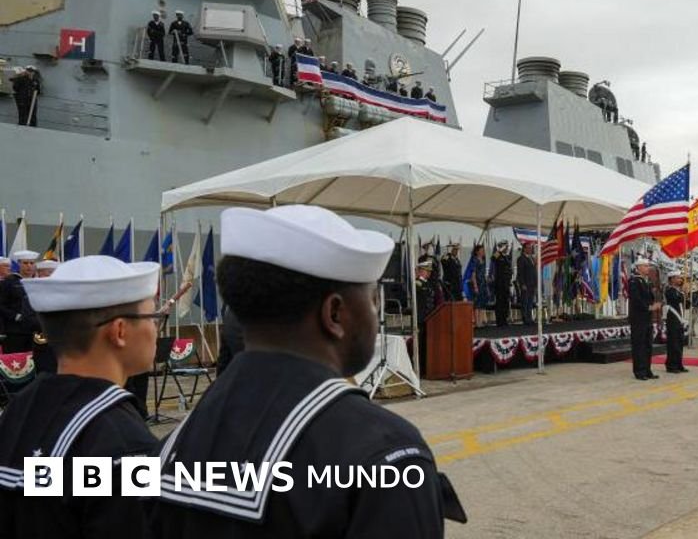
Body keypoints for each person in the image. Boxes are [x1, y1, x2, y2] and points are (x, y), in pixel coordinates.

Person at [148, 205, 464, 537]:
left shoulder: (174, 445)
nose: (374, 314)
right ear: (336, 314)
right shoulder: (383, 454)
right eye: (371, 300)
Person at [0, 256, 161, 538]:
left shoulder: (19, 410)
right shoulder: (123, 443)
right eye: (152, 317)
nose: (156, 330)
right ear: (120, 331)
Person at [0, 250, 41, 354]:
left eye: (32, 263)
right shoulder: (9, 281)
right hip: (15, 331)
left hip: (35, 330)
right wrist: (15, 316)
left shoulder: (39, 282)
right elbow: (1, 305)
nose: (29, 266)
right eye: (25, 263)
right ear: (19, 264)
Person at [628, 259, 660, 380]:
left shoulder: (646, 281)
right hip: (638, 318)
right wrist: (649, 307)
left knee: (648, 345)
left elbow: (649, 297)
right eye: (645, 266)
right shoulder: (634, 281)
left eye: (648, 266)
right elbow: (636, 299)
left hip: (647, 318)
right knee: (639, 345)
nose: (648, 268)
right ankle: (639, 371)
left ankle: (647, 370)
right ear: (638, 267)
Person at [662, 270, 688, 373]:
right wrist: (683, 292)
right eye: (678, 277)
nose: (680, 279)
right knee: (673, 343)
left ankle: (679, 363)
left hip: (679, 319)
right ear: (672, 279)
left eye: (680, 278)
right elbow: (675, 299)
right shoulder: (669, 290)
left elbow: (685, 303)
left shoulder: (678, 291)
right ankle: (671, 365)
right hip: (672, 319)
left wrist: (684, 293)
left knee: (679, 342)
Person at [415, 260, 438, 373]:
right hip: (420, 318)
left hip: (430, 318)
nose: (428, 273)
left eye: (429, 271)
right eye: (426, 271)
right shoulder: (417, 284)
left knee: (426, 345)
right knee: (419, 345)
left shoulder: (428, 284)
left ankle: (426, 367)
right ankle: (419, 368)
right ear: (420, 271)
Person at [463, 244, 489, 326]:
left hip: (483, 283)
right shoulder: (474, 260)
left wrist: (486, 283)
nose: (483, 252)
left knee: (482, 303)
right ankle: (477, 321)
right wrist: (475, 286)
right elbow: (473, 274)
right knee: (477, 304)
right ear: (477, 251)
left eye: (483, 250)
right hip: (477, 283)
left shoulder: (483, 260)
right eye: (481, 250)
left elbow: (484, 272)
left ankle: (481, 321)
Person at [491, 241, 513, 327]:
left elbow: (509, 269)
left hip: (506, 284)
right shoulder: (498, 256)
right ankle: (499, 321)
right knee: (499, 303)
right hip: (499, 284)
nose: (506, 248)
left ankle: (504, 319)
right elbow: (492, 258)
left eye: (506, 247)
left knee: (505, 302)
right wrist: (499, 250)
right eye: (505, 247)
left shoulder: (506, 257)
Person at [516, 242, 537, 327]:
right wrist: (522, 284)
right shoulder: (521, 259)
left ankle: (530, 318)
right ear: (524, 249)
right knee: (525, 301)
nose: (530, 249)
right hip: (526, 284)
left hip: (532, 284)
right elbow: (520, 273)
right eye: (528, 248)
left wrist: (536, 283)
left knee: (530, 302)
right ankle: (525, 318)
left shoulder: (531, 258)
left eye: (531, 248)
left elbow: (533, 272)